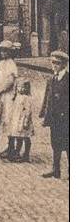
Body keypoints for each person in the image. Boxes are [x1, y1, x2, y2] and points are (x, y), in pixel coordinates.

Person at [39, 50, 69, 180]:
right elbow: (47, 98)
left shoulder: (69, 80)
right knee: (55, 143)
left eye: (57, 63)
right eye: (53, 62)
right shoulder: (52, 79)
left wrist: (66, 113)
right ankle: (55, 170)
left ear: (64, 65)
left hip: (66, 118)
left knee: (68, 144)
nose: (54, 65)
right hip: (54, 117)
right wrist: (44, 114)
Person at [0, 40, 18, 159]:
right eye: (1, 50)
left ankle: (10, 148)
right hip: (0, 95)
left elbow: (9, 81)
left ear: (10, 52)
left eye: (5, 51)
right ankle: (1, 148)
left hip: (7, 96)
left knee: (7, 120)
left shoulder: (11, 64)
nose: (3, 53)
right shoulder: (1, 64)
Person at [9, 78, 34, 163]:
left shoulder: (27, 98)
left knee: (26, 137)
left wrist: (26, 120)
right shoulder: (17, 97)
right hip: (17, 119)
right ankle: (17, 152)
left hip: (23, 120)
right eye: (19, 87)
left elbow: (28, 110)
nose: (21, 89)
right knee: (18, 137)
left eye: (23, 87)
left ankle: (26, 154)